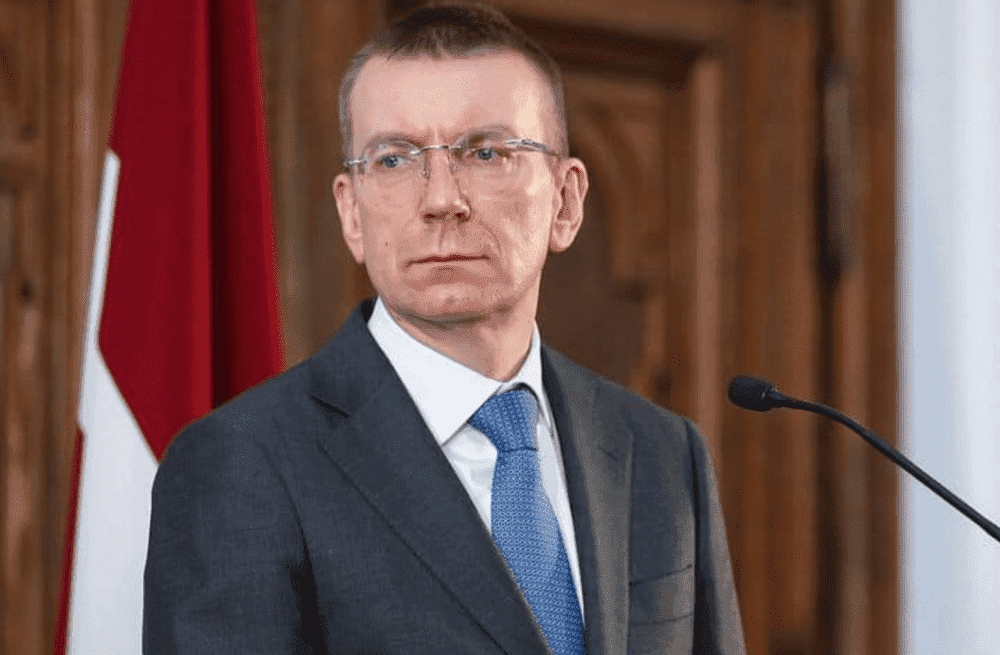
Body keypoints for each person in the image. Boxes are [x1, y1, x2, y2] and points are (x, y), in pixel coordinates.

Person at [143, 4, 746, 654]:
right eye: (394, 159)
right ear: (351, 213)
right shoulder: (239, 464)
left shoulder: (663, 454)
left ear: (566, 202)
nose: (441, 199)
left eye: (485, 152)